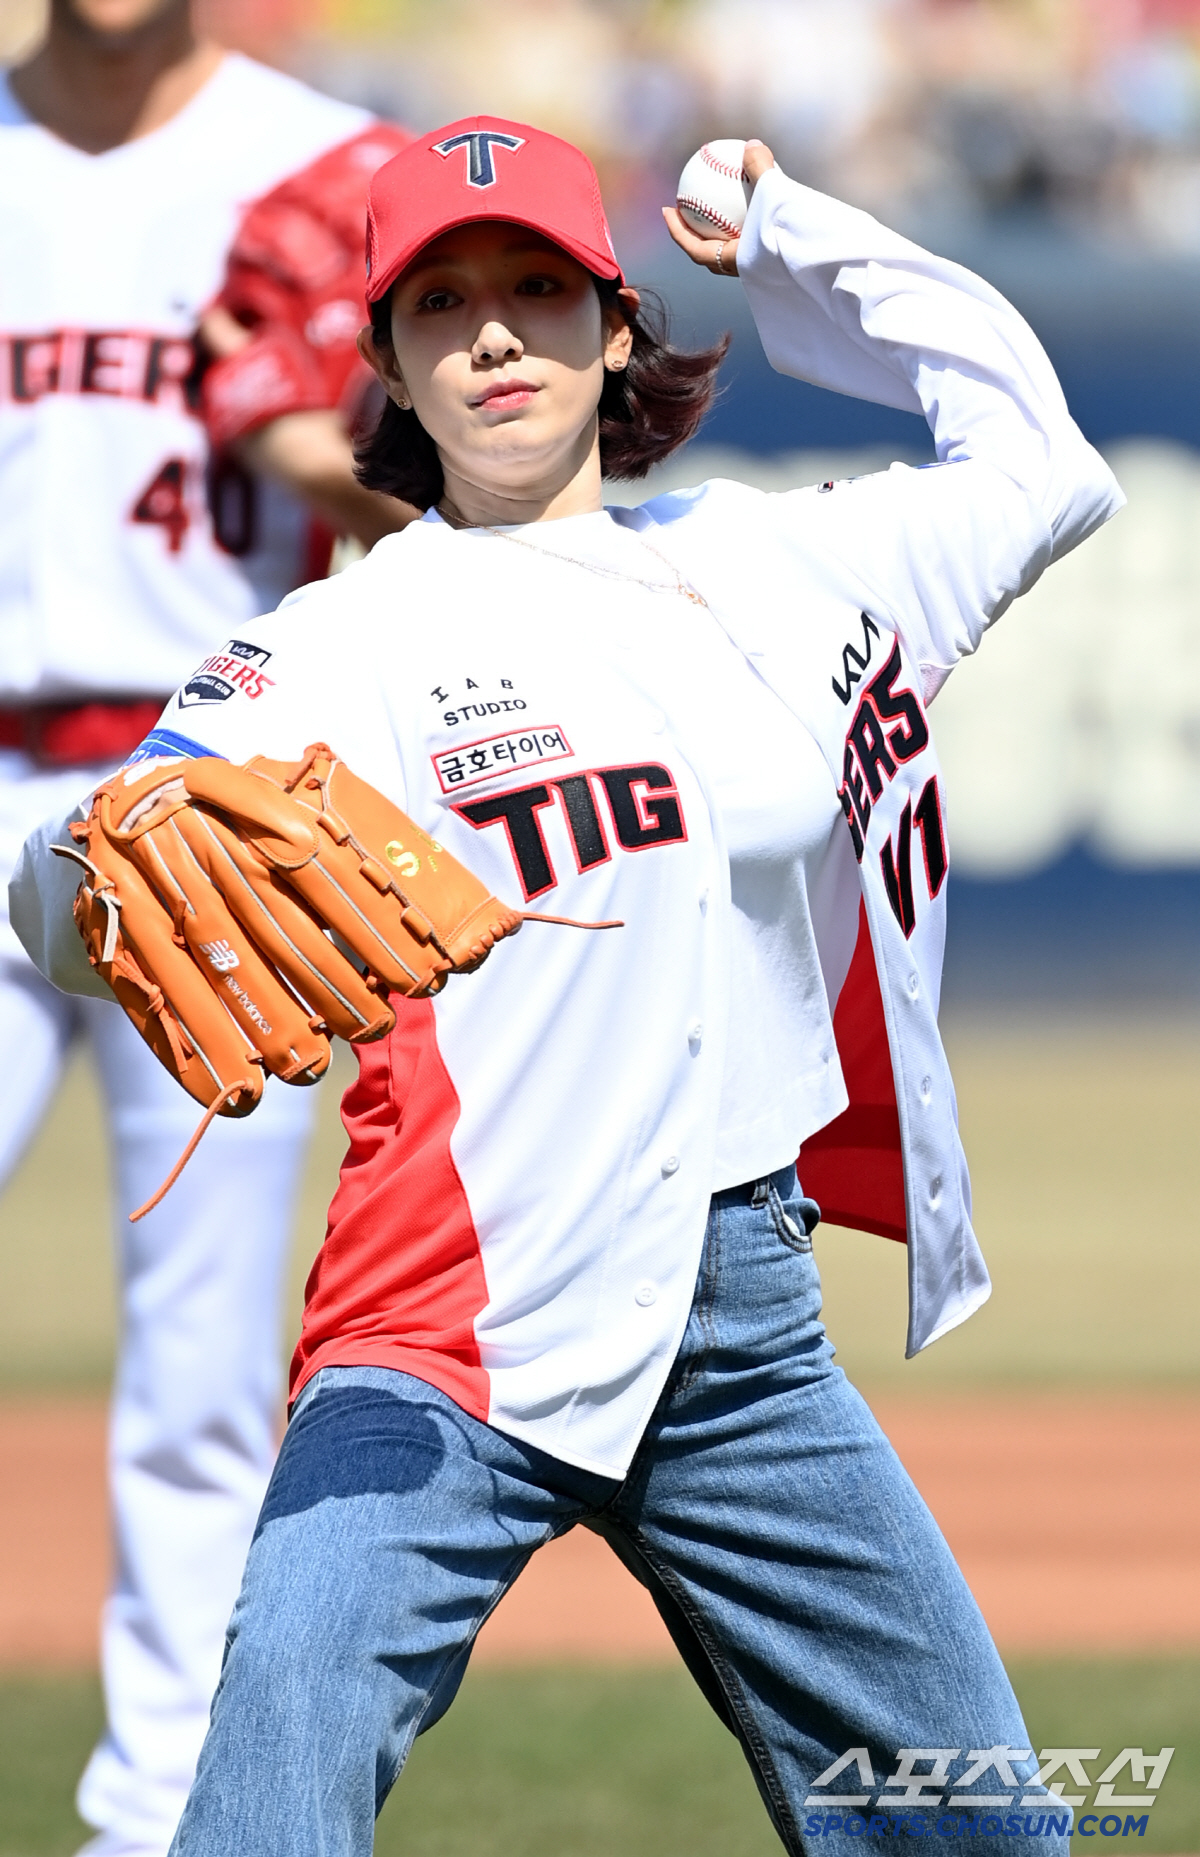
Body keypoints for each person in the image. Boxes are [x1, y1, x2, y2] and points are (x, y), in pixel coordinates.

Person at [12, 116, 1122, 1855]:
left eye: (540, 286)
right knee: (262, 1810)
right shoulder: (330, 644)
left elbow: (1044, 459)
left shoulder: (785, 562)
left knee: (982, 1827)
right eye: (441, 303)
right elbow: (77, 894)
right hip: (439, 1331)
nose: (496, 335)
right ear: (382, 359)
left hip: (746, 1343)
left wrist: (792, 232)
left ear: (619, 327)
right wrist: (81, 860)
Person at [0, 3, 411, 1852]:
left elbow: (473, 491)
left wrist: (321, 447)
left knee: (203, 1361)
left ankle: (160, 1819)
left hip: (208, 793)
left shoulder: (322, 160)